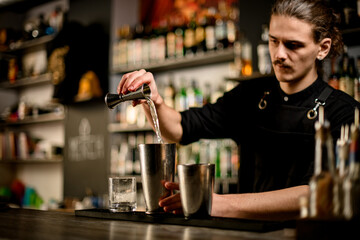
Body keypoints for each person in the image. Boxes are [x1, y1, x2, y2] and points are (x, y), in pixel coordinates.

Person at [117, 0, 360, 220]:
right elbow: (179, 128)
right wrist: (154, 101)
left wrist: (215, 203)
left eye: (293, 45)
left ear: (323, 48)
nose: (279, 54)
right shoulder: (250, 95)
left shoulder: (345, 113)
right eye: (274, 41)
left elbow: (317, 193)